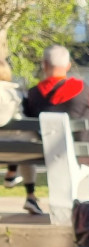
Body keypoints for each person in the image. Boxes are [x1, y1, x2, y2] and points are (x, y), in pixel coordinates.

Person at [24, 45, 89, 210]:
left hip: (46, 152)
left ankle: (31, 196)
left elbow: (29, 118)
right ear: (67, 66)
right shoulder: (81, 89)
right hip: (84, 150)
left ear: (44, 65)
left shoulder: (33, 94)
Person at [0, 58, 37, 211]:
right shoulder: (18, 92)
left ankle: (11, 172)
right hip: (23, 150)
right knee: (22, 142)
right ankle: (31, 197)